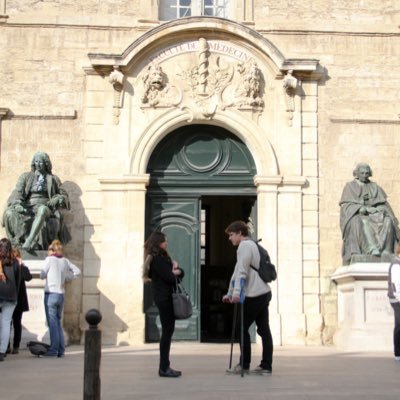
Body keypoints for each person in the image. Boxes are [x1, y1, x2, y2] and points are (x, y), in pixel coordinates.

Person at [223, 220, 273, 375]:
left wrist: (236, 294)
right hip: (263, 292)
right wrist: (231, 293)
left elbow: (241, 272)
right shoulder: (252, 245)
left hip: (254, 294)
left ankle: (244, 364)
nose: (230, 238)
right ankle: (266, 366)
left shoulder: (244, 246)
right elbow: (237, 271)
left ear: (240, 233)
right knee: (264, 330)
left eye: (231, 235)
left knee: (240, 328)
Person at [2, 151, 71, 252]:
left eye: (41, 162)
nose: (38, 164)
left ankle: (29, 241)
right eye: (36, 162)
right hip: (28, 208)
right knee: (9, 212)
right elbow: (17, 192)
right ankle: (23, 241)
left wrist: (58, 199)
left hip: (46, 208)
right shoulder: (25, 177)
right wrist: (17, 203)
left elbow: (64, 196)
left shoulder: (54, 179)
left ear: (46, 163)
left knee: (42, 210)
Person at [339, 163, 400, 265]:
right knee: (359, 220)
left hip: (374, 215)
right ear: (356, 174)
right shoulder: (349, 186)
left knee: (388, 220)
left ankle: (386, 251)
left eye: (367, 173)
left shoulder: (374, 187)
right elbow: (346, 206)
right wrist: (360, 208)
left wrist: (378, 210)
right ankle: (370, 248)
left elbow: (384, 205)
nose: (364, 175)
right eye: (362, 173)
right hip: (359, 215)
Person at [143, 231, 184, 378]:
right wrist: (176, 270)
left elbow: (174, 275)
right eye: (164, 241)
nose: (166, 243)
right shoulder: (158, 259)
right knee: (167, 332)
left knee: (168, 331)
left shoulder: (160, 257)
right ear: (158, 243)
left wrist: (176, 271)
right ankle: (164, 368)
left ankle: (165, 366)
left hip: (164, 297)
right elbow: (171, 278)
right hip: (164, 298)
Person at [40, 239, 81, 357]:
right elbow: (77, 272)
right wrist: (67, 277)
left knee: (52, 324)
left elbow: (42, 275)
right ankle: (61, 350)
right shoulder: (65, 261)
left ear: (52, 250)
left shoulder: (49, 260)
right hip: (61, 295)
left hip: (51, 294)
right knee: (57, 323)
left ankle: (53, 350)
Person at [6, 248, 32, 355]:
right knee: (7, 323)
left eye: (17, 257)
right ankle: (7, 345)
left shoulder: (21, 267)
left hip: (19, 300)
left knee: (16, 324)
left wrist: (23, 266)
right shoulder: (9, 266)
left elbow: (28, 277)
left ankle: (16, 346)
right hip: (10, 298)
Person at [0, 238, 21, 361]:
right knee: (6, 324)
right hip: (11, 296)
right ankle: (2, 351)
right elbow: (18, 281)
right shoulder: (15, 262)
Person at [388, 244, 400, 362]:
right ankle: (397, 353)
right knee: (399, 325)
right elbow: (396, 285)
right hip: (397, 299)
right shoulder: (396, 264)